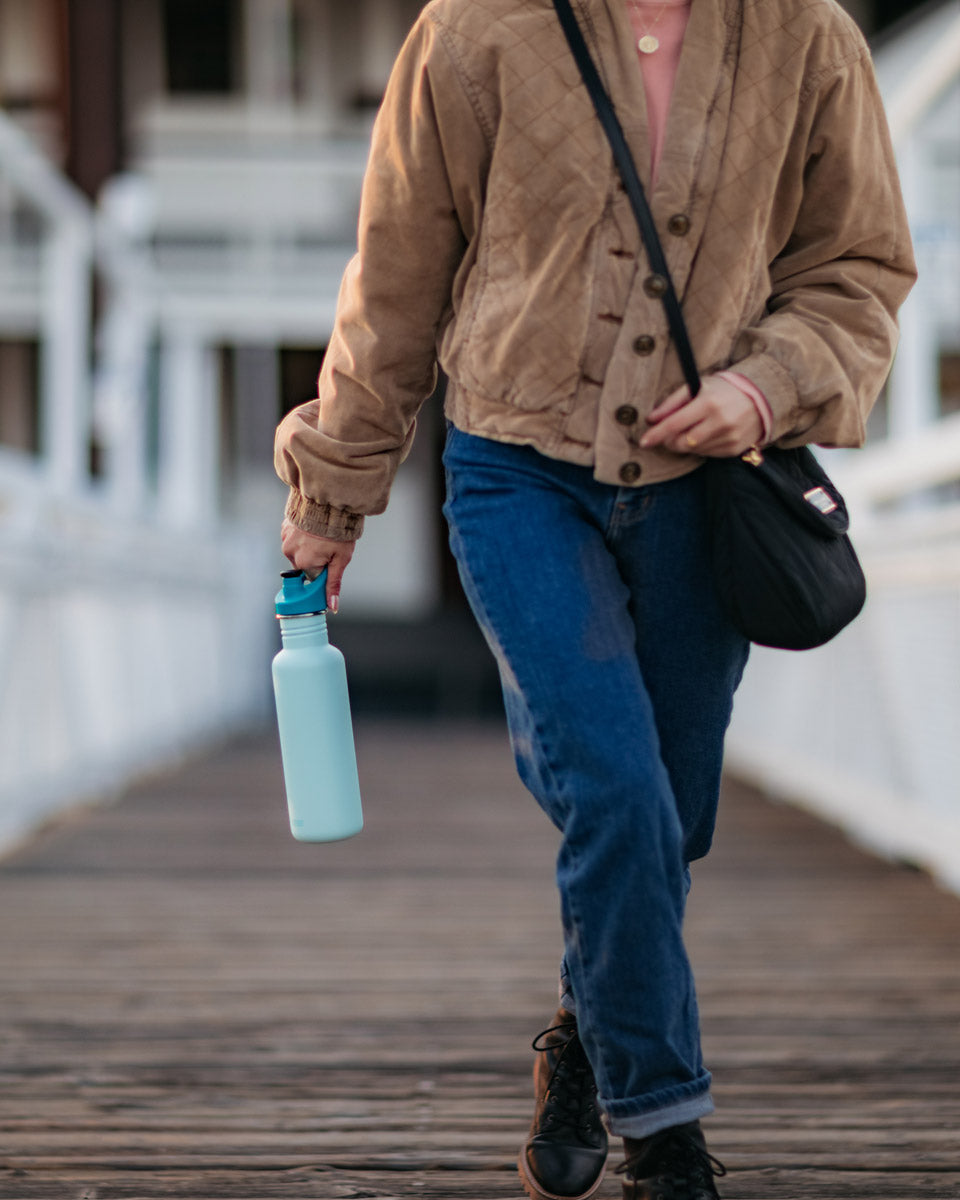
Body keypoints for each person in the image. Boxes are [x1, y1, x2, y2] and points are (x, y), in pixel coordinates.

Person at [275, 0, 916, 1196]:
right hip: (515, 473)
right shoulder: (472, 29)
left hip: (703, 490)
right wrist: (330, 495)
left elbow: (859, 269)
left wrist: (768, 390)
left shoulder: (810, 35)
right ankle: (668, 1135)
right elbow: (399, 282)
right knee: (616, 790)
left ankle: (587, 1034)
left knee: (669, 818)